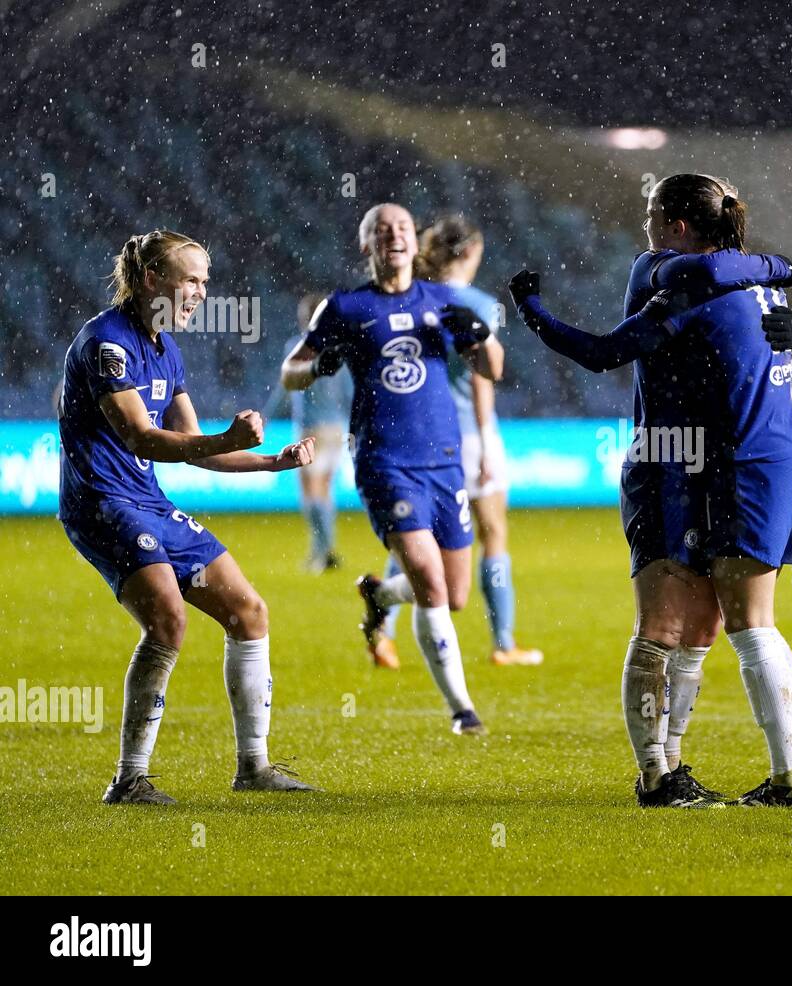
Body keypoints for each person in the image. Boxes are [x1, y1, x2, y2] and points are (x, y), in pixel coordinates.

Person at [511, 173, 792, 807]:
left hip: (685, 463)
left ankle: (686, 773)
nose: (645, 225)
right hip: (764, 458)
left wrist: (532, 311)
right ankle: (698, 765)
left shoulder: (675, 282)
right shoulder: (758, 283)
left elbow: (602, 353)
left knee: (689, 626)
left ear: (678, 226)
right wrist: (789, 294)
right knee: (706, 625)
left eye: (652, 213)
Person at [59, 229, 318, 804]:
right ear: (153, 279)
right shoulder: (107, 343)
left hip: (146, 501)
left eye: (206, 282)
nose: (202, 292)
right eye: (192, 280)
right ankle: (129, 780)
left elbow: (197, 447)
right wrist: (225, 438)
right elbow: (142, 438)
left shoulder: (166, 350)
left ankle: (253, 768)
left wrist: (270, 462)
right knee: (168, 620)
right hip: (101, 502)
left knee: (249, 612)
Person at [280, 203, 504, 736]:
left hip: (445, 462)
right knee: (429, 581)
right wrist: (317, 367)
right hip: (384, 460)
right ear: (367, 245)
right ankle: (462, 710)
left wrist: (482, 336)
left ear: (415, 242)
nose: (394, 236)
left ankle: (380, 595)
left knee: (454, 595)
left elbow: (492, 370)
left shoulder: (443, 301)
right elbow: (291, 372)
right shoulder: (345, 306)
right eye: (381, 230)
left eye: (402, 228)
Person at [373, 215, 543, 668]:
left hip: (415, 435)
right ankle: (503, 643)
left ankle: (383, 630)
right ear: (469, 252)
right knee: (493, 534)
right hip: (466, 433)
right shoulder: (477, 304)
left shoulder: (412, 298)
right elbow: (482, 377)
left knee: (413, 536)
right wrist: (486, 445)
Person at [265, 293, 354, 576]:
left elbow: (285, 385)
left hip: (311, 428)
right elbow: (350, 391)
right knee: (325, 490)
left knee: (310, 492)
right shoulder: (340, 349)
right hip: (337, 428)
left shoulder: (297, 345)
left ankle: (323, 552)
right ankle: (325, 549)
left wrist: (266, 414)